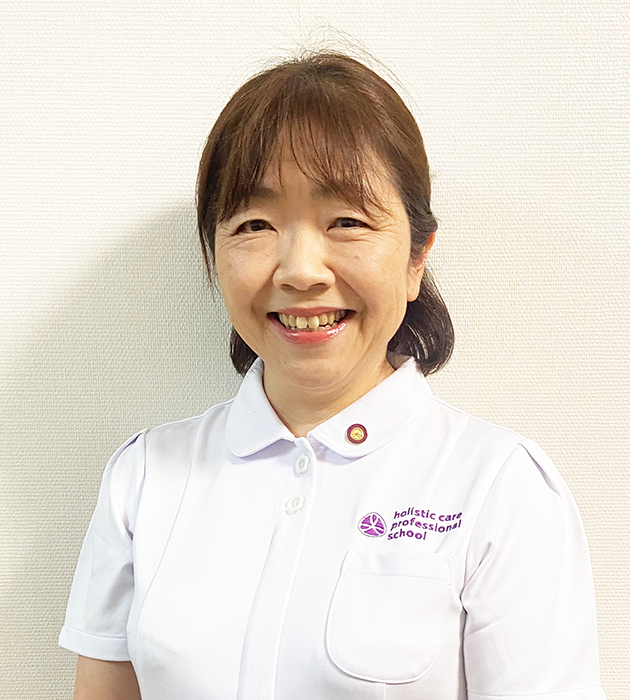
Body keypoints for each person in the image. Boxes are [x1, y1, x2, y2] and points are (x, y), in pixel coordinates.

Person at [59, 50, 606, 700]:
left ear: (416, 258)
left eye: (346, 221)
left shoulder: (500, 487)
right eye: (255, 225)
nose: (300, 270)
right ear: (215, 255)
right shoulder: (144, 477)